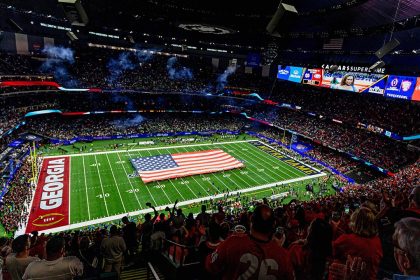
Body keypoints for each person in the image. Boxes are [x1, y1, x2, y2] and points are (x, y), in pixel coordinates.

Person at [206, 204, 294, 280]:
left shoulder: (232, 242)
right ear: (274, 224)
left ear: (251, 220)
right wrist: (277, 249)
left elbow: (210, 266)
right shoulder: (284, 256)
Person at [332, 207, 383, 280]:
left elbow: (331, 250)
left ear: (355, 223)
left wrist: (336, 228)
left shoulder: (347, 239)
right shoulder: (377, 241)